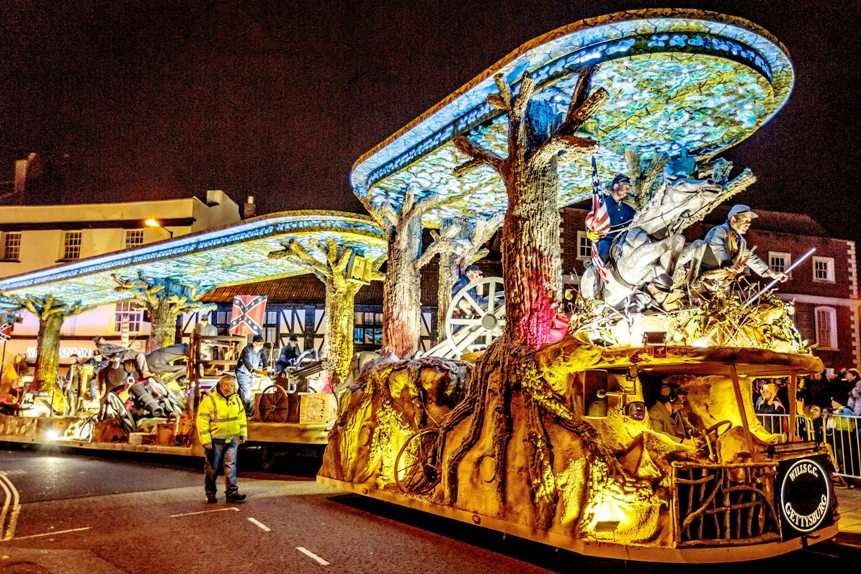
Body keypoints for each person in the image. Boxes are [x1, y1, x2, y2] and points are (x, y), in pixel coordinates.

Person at [701, 204, 788, 282]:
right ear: (734, 219)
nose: (748, 224)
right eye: (745, 220)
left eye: (749, 221)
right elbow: (717, 247)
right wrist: (729, 265)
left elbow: (750, 257)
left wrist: (771, 273)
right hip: (704, 274)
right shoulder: (720, 231)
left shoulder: (741, 241)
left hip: (720, 279)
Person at [196, 374, 247, 504]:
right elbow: (202, 421)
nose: (229, 388)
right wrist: (206, 440)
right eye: (226, 385)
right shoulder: (209, 400)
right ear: (220, 385)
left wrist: (243, 434)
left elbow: (241, 418)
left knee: (231, 467)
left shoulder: (236, 399)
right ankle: (210, 493)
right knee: (212, 468)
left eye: (232, 385)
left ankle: (232, 493)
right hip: (215, 441)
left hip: (232, 439)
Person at [588, 174, 636, 263]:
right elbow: (591, 221)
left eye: (628, 187)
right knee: (603, 255)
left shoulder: (629, 208)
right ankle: (597, 271)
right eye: (624, 186)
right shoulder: (602, 205)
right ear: (615, 186)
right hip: (608, 239)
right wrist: (590, 232)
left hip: (627, 239)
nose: (627, 190)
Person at [235, 335, 267, 416]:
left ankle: (237, 408)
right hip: (242, 373)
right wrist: (252, 370)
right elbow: (246, 361)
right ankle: (247, 413)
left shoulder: (260, 350)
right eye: (260, 344)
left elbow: (264, 358)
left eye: (262, 344)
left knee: (242, 392)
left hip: (250, 374)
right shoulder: (246, 350)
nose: (261, 346)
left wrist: (265, 368)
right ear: (254, 343)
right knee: (247, 392)